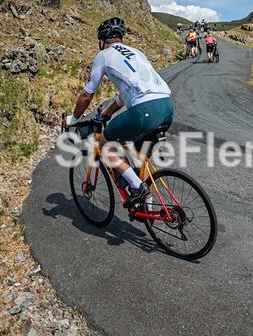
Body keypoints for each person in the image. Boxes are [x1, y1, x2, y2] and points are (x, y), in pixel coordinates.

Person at [62, 17, 173, 208]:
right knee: (140, 158)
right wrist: (107, 112)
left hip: (144, 110)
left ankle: (138, 188)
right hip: (166, 106)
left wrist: (72, 119)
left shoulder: (104, 55)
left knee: (104, 144)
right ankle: (150, 208)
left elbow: (86, 95)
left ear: (102, 40)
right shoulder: (136, 52)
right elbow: (126, 94)